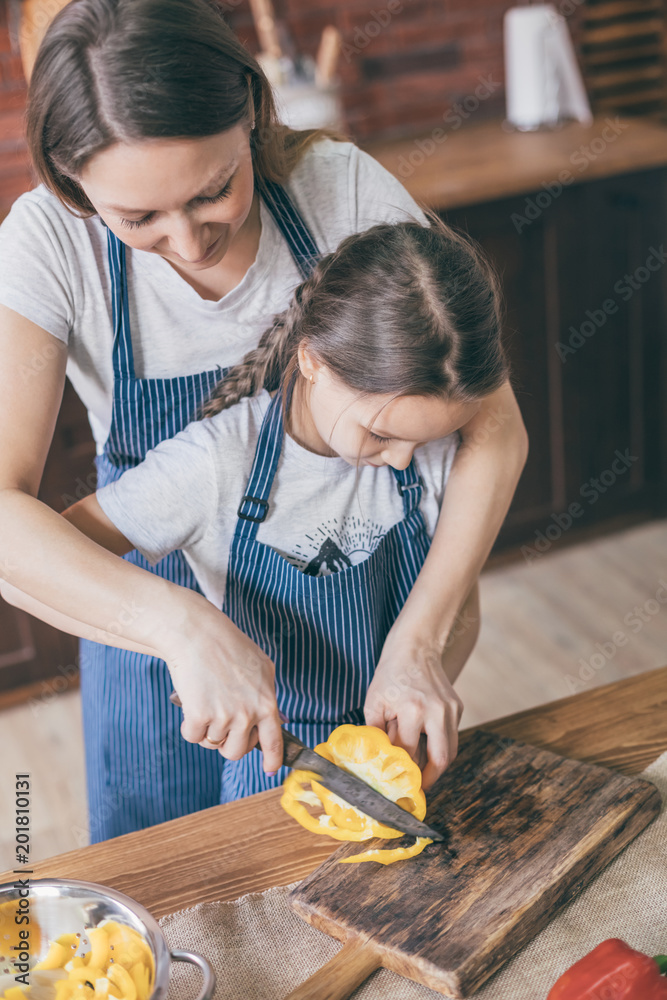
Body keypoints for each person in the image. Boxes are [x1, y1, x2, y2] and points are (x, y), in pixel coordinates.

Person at [0, 0, 528, 842]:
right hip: (147, 608)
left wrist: (422, 638)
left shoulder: (337, 187)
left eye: (214, 190)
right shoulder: (47, 243)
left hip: (347, 627)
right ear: (73, 183)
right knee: (167, 868)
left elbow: (491, 425)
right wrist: (178, 625)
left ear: (250, 112)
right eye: (136, 220)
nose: (188, 240)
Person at [45, 217, 509, 802]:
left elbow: (458, 597)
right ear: (313, 360)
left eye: (427, 439)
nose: (402, 462)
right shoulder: (214, 464)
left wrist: (429, 666)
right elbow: (51, 557)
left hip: (393, 769)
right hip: (268, 775)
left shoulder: (438, 453)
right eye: (382, 434)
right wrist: (181, 636)